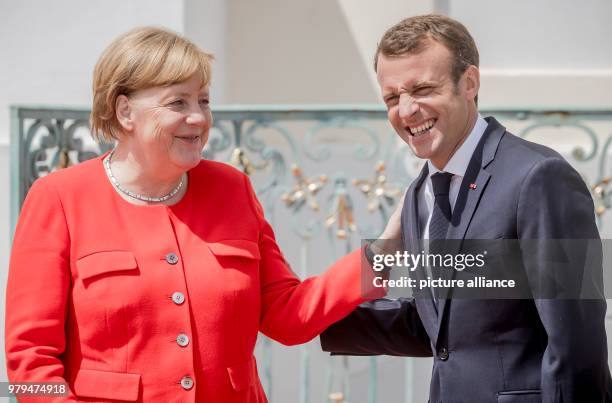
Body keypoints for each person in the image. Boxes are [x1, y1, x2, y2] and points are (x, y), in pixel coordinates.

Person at [4, 27, 390, 402]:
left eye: (203, 101)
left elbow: (287, 315)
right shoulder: (59, 197)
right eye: (179, 103)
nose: (200, 118)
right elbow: (29, 363)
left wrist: (385, 252)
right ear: (125, 111)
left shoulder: (232, 188)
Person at [320, 14, 612, 402]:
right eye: (392, 97)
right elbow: (444, 328)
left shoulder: (540, 178)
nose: (406, 111)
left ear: (469, 83)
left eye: (422, 89)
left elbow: (577, 345)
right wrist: (310, 314)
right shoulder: (420, 192)